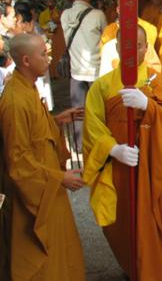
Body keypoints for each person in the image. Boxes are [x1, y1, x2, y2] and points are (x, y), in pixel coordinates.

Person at [83, 25, 162, 280]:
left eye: (138, 46)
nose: (132, 52)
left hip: (155, 166)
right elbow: (92, 126)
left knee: (157, 217)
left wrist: (149, 107)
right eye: (126, 46)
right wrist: (113, 149)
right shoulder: (102, 86)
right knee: (123, 222)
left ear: (146, 48)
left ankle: (153, 268)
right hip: (120, 167)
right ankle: (132, 265)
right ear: (117, 48)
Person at [0, 33, 85, 280]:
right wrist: (60, 177)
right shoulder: (14, 101)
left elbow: (33, 134)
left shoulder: (27, 88)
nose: (48, 58)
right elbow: (18, 161)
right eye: (43, 54)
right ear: (26, 60)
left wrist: (55, 121)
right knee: (39, 260)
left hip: (48, 189)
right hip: (34, 196)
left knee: (61, 253)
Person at [61, 0, 107, 151]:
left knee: (78, 111)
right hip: (96, 70)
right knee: (99, 109)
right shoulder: (98, 15)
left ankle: (79, 145)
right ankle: (100, 141)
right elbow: (106, 37)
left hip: (76, 70)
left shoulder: (65, 15)